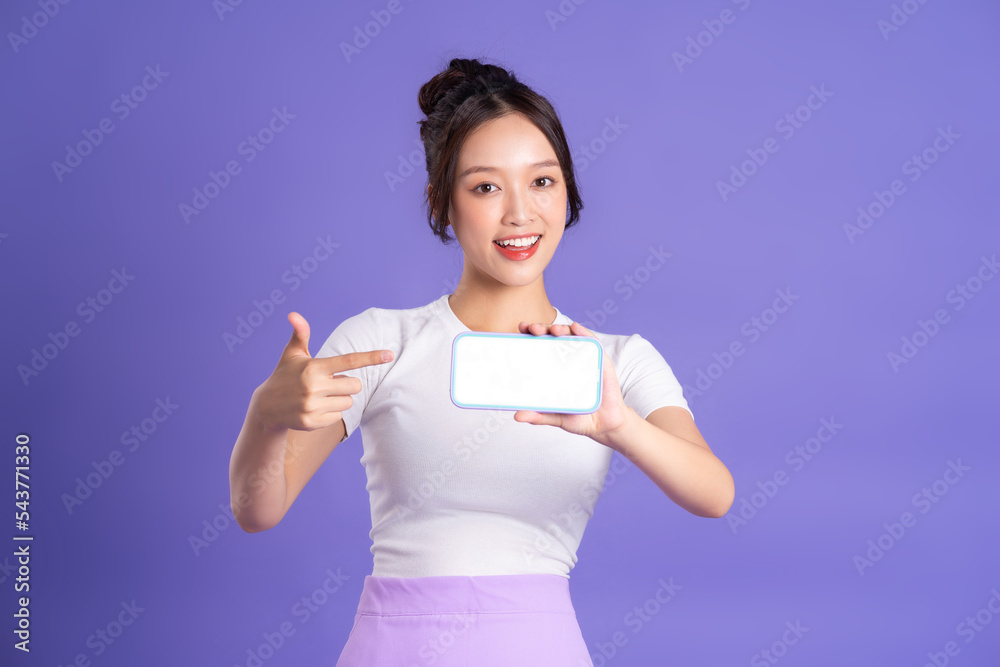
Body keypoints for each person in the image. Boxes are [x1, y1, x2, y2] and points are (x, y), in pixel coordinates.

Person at [229, 56, 735, 666]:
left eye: (543, 181)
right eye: (486, 186)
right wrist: (266, 416)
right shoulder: (380, 342)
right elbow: (259, 509)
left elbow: (715, 493)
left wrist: (621, 426)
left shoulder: (616, 363)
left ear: (568, 189)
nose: (520, 212)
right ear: (441, 202)